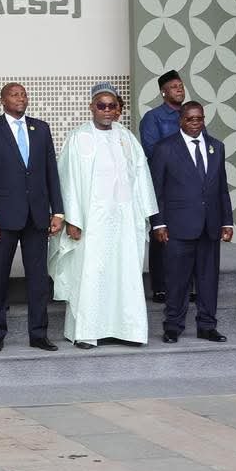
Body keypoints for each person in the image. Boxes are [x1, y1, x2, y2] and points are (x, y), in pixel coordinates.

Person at [50, 84, 158, 349]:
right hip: (91, 223)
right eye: (102, 105)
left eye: (112, 106)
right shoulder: (78, 137)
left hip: (123, 221)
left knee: (125, 274)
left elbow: (141, 176)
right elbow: (68, 180)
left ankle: (127, 329)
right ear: (91, 107)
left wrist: (146, 214)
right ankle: (87, 331)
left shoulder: (127, 137)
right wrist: (73, 218)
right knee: (91, 274)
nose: (107, 111)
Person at [0, 82, 64, 352]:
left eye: (24, 94)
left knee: (38, 279)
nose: (21, 98)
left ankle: (38, 334)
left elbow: (51, 172)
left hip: (36, 217)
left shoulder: (41, 128)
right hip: (1, 218)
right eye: (14, 94)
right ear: (2, 101)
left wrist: (57, 210)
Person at [149, 102, 233, 343]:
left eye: (199, 119)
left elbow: (222, 188)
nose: (195, 124)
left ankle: (207, 325)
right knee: (177, 279)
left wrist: (227, 221)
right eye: (190, 119)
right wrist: (158, 223)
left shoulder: (216, 146)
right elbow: (157, 190)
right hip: (177, 226)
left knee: (208, 280)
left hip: (210, 225)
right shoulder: (165, 148)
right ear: (180, 121)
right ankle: (173, 325)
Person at [140, 70, 189, 303]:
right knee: (161, 236)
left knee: (187, 235)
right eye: (173, 86)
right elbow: (153, 152)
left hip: (190, 187)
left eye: (181, 85)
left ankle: (187, 285)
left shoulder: (191, 115)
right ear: (163, 92)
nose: (179, 89)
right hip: (164, 185)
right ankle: (160, 286)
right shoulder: (153, 118)